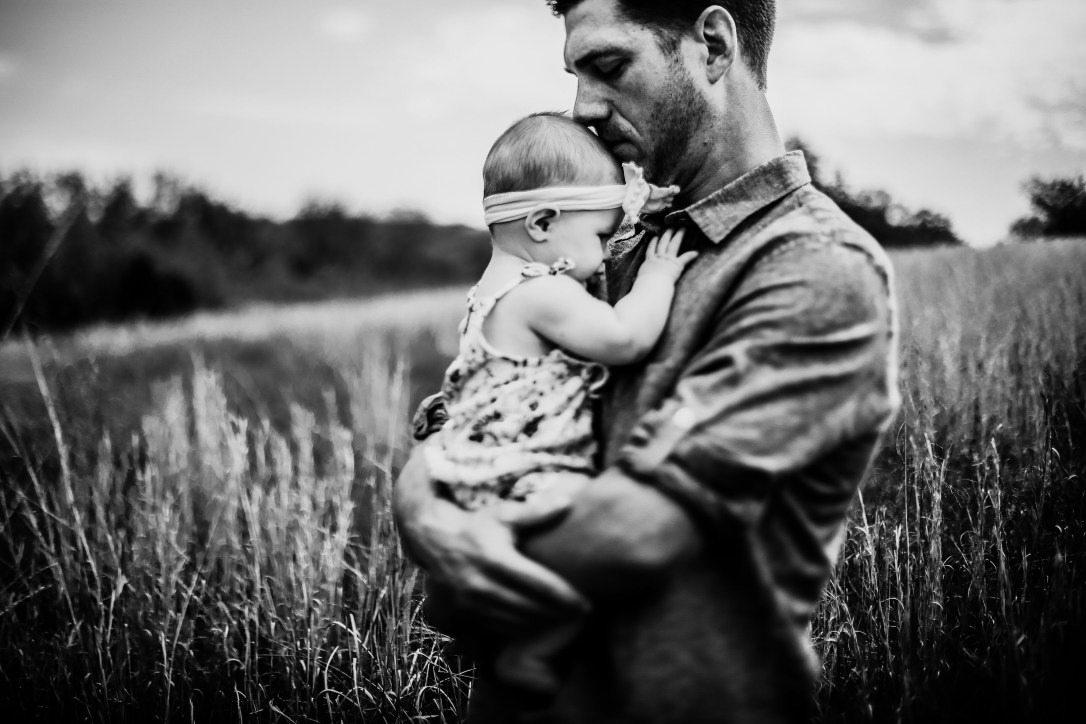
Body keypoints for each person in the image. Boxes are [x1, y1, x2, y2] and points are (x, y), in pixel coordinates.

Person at [395, 1, 900, 722]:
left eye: (608, 67)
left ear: (714, 47)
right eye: (576, 75)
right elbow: (482, 404)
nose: (584, 107)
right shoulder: (608, 243)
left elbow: (634, 533)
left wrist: (452, 555)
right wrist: (418, 503)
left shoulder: (815, 268)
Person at [420, 111, 695, 695]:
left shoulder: (492, 292)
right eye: (601, 237)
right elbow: (623, 338)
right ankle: (533, 649)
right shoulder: (542, 293)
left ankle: (475, 619)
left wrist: (626, 219)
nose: (606, 253)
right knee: (599, 522)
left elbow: (579, 259)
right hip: (526, 471)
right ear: (542, 223)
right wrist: (660, 278)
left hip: (487, 466)